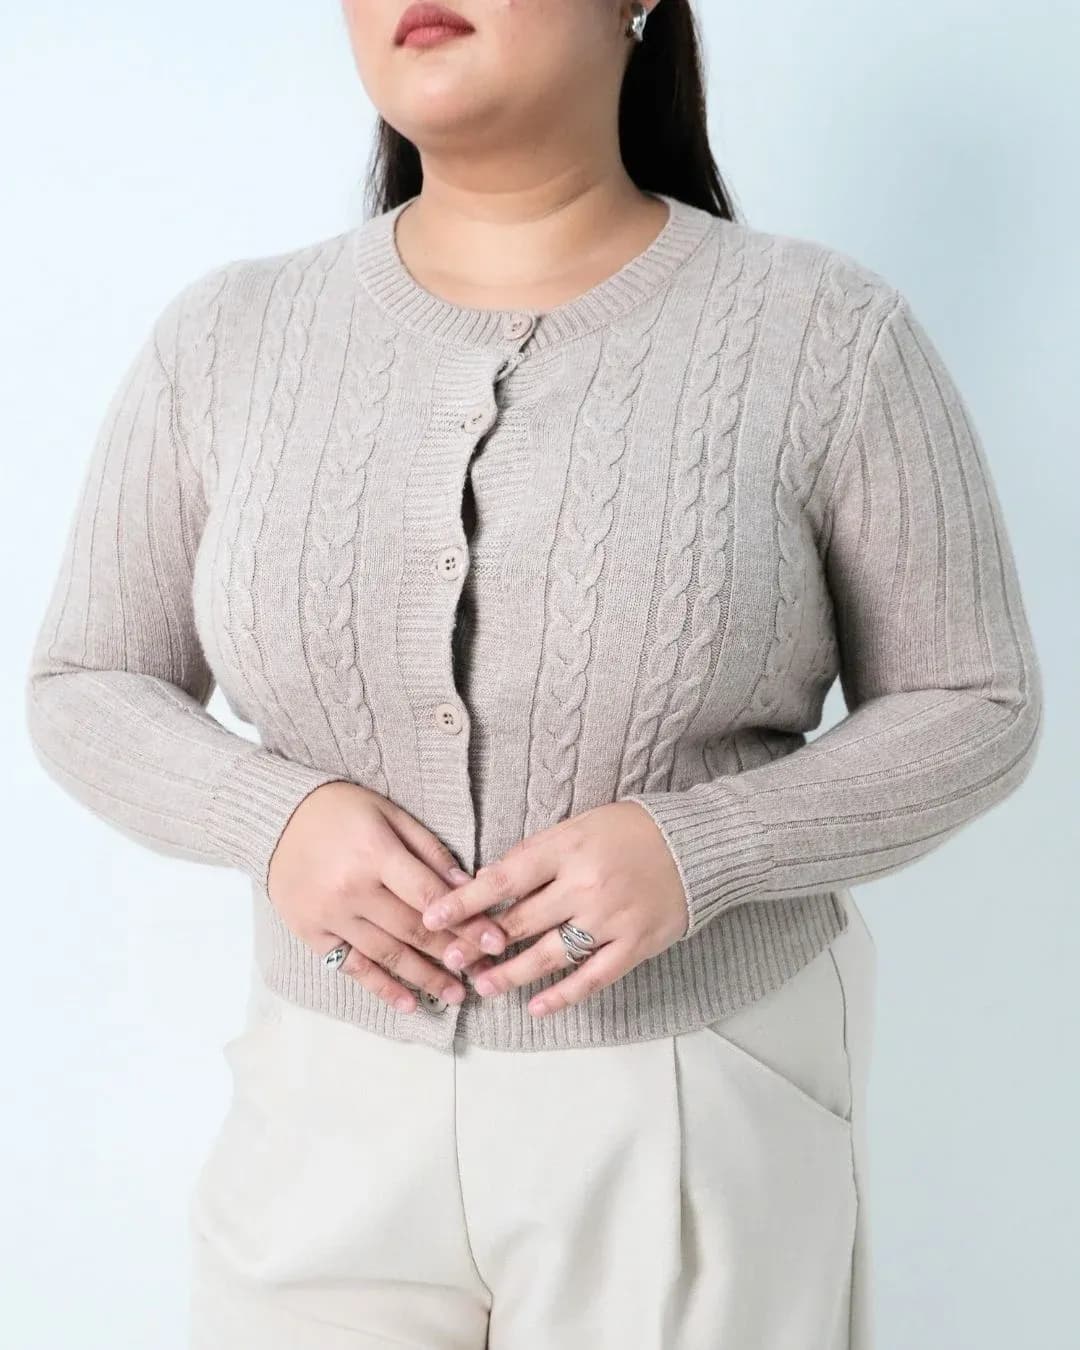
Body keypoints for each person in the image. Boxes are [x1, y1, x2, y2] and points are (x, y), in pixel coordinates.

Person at [24, 1, 1043, 1346]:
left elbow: (976, 702)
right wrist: (273, 820)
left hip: (687, 1092)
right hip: (319, 1107)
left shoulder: (825, 334)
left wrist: (704, 846)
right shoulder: (227, 338)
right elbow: (88, 678)